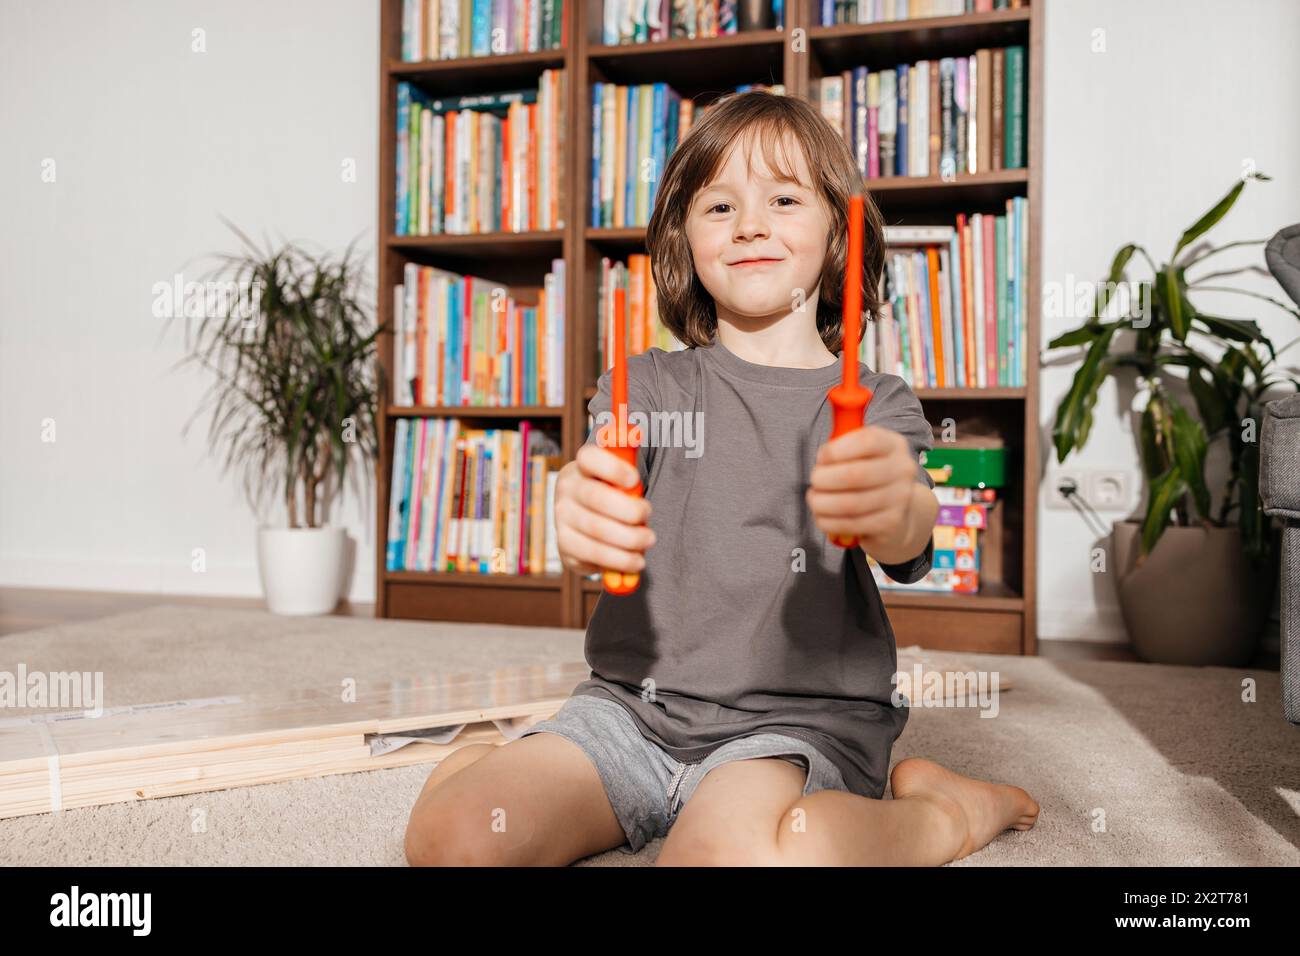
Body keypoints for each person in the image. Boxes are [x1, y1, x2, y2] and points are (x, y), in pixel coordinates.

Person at [405, 90, 1038, 866]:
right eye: (719, 206)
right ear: (686, 240)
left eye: (782, 198)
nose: (750, 225)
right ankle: (488, 755)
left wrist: (891, 502)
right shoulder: (645, 386)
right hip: (630, 713)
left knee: (721, 860)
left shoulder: (875, 402)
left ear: (839, 230)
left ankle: (946, 813)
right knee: (453, 844)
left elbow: (911, 533)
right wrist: (574, 500)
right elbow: (602, 473)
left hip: (794, 724)